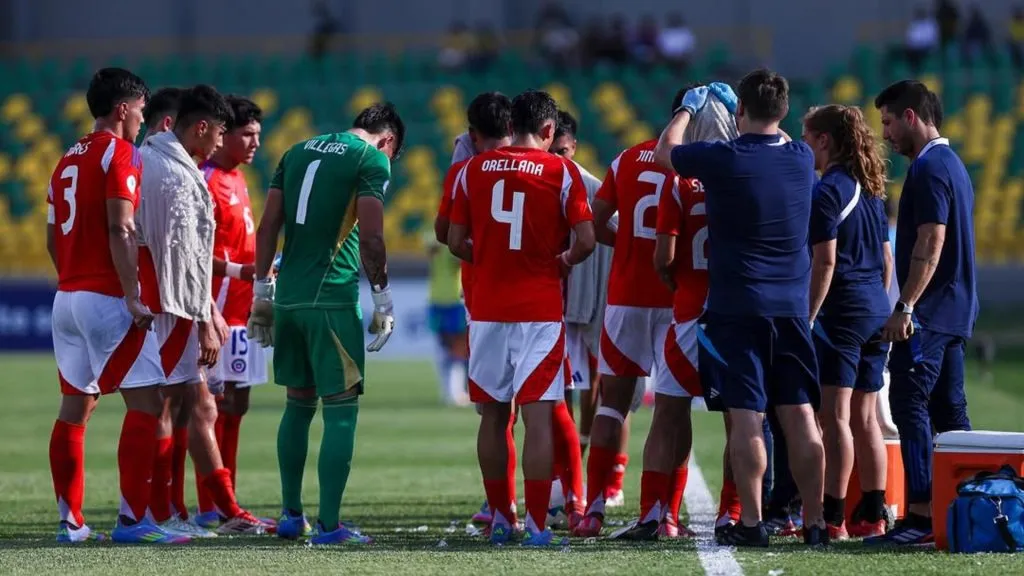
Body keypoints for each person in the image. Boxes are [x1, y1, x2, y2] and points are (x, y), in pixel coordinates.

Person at [654, 70, 828, 547]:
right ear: (784, 112)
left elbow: (665, 153)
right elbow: (783, 136)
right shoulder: (800, 157)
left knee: (748, 417)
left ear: (738, 112)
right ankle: (815, 522)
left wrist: (687, 108)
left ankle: (751, 522)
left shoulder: (722, 157)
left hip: (736, 308)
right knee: (800, 416)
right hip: (790, 308)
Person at [247, 102, 404, 544]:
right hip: (331, 298)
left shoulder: (295, 151)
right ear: (388, 140)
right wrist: (382, 296)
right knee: (341, 411)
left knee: (297, 405)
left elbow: (267, 226)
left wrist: (262, 292)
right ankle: (330, 526)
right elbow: (372, 234)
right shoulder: (371, 158)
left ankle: (290, 515)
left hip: (289, 299)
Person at [447, 89, 595, 547]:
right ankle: (535, 525)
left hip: (487, 310)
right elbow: (587, 240)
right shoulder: (562, 171)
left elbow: (454, 240)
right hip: (539, 310)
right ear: (549, 131)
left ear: (510, 127)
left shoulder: (471, 169)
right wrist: (562, 260)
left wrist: (490, 260)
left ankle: (500, 518)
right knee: (539, 419)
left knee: (492, 418)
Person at [46, 67, 187, 544]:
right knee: (147, 403)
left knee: (74, 409)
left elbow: (52, 235)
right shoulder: (119, 153)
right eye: (142, 109)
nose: (144, 118)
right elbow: (122, 227)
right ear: (123, 107)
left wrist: (71, 277)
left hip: (66, 298)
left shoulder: (65, 158)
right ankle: (132, 522)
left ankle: (72, 524)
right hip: (107, 298)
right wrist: (131, 293)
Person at [137, 85, 265, 536]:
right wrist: (208, 315)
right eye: (224, 133)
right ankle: (159, 509)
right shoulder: (178, 173)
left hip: (178, 303)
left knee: (194, 405)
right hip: (170, 305)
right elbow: (183, 255)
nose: (222, 144)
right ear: (201, 127)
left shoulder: (166, 164)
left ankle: (195, 508)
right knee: (168, 406)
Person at [867, 80, 977, 546]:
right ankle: (972, 505)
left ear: (911, 116)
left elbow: (930, 243)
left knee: (908, 402)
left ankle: (917, 515)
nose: (886, 134)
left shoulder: (931, 168)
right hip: (954, 308)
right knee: (951, 414)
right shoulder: (953, 164)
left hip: (928, 312)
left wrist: (905, 305)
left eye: (889, 122)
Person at [573, 100, 678, 538]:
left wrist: (631, 246)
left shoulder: (626, 158)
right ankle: (663, 515)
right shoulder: (701, 165)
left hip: (625, 298)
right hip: (676, 301)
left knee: (611, 403)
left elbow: (594, 222)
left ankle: (593, 510)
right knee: (672, 410)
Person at [803, 104, 893, 540]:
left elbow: (825, 262)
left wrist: (809, 315)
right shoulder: (872, 188)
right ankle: (873, 515)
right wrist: (879, 301)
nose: (806, 148)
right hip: (876, 307)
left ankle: (833, 517)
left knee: (833, 416)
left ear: (825, 140)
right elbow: (887, 259)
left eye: (808, 139)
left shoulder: (826, 192)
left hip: (842, 313)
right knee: (866, 415)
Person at [435, 92, 517, 529]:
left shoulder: (467, 168)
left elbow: (445, 230)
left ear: (472, 133)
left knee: (493, 408)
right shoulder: (544, 165)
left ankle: (501, 509)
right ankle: (566, 502)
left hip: (484, 298)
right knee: (547, 405)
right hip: (541, 299)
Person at [198, 95, 267, 522]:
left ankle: (229, 503)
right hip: (217, 309)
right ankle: (209, 507)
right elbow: (194, 253)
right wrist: (242, 270)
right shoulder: (206, 178)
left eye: (258, 134)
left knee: (237, 405)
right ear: (222, 136)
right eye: (247, 134)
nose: (256, 142)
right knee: (209, 408)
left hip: (244, 310)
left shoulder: (238, 179)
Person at [548, 110, 604, 528]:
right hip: (544, 312)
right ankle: (560, 489)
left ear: (575, 148)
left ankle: (578, 489)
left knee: (581, 394)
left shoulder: (591, 188)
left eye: (565, 152)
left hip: (580, 314)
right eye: (554, 151)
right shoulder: (537, 180)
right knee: (549, 404)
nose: (559, 159)